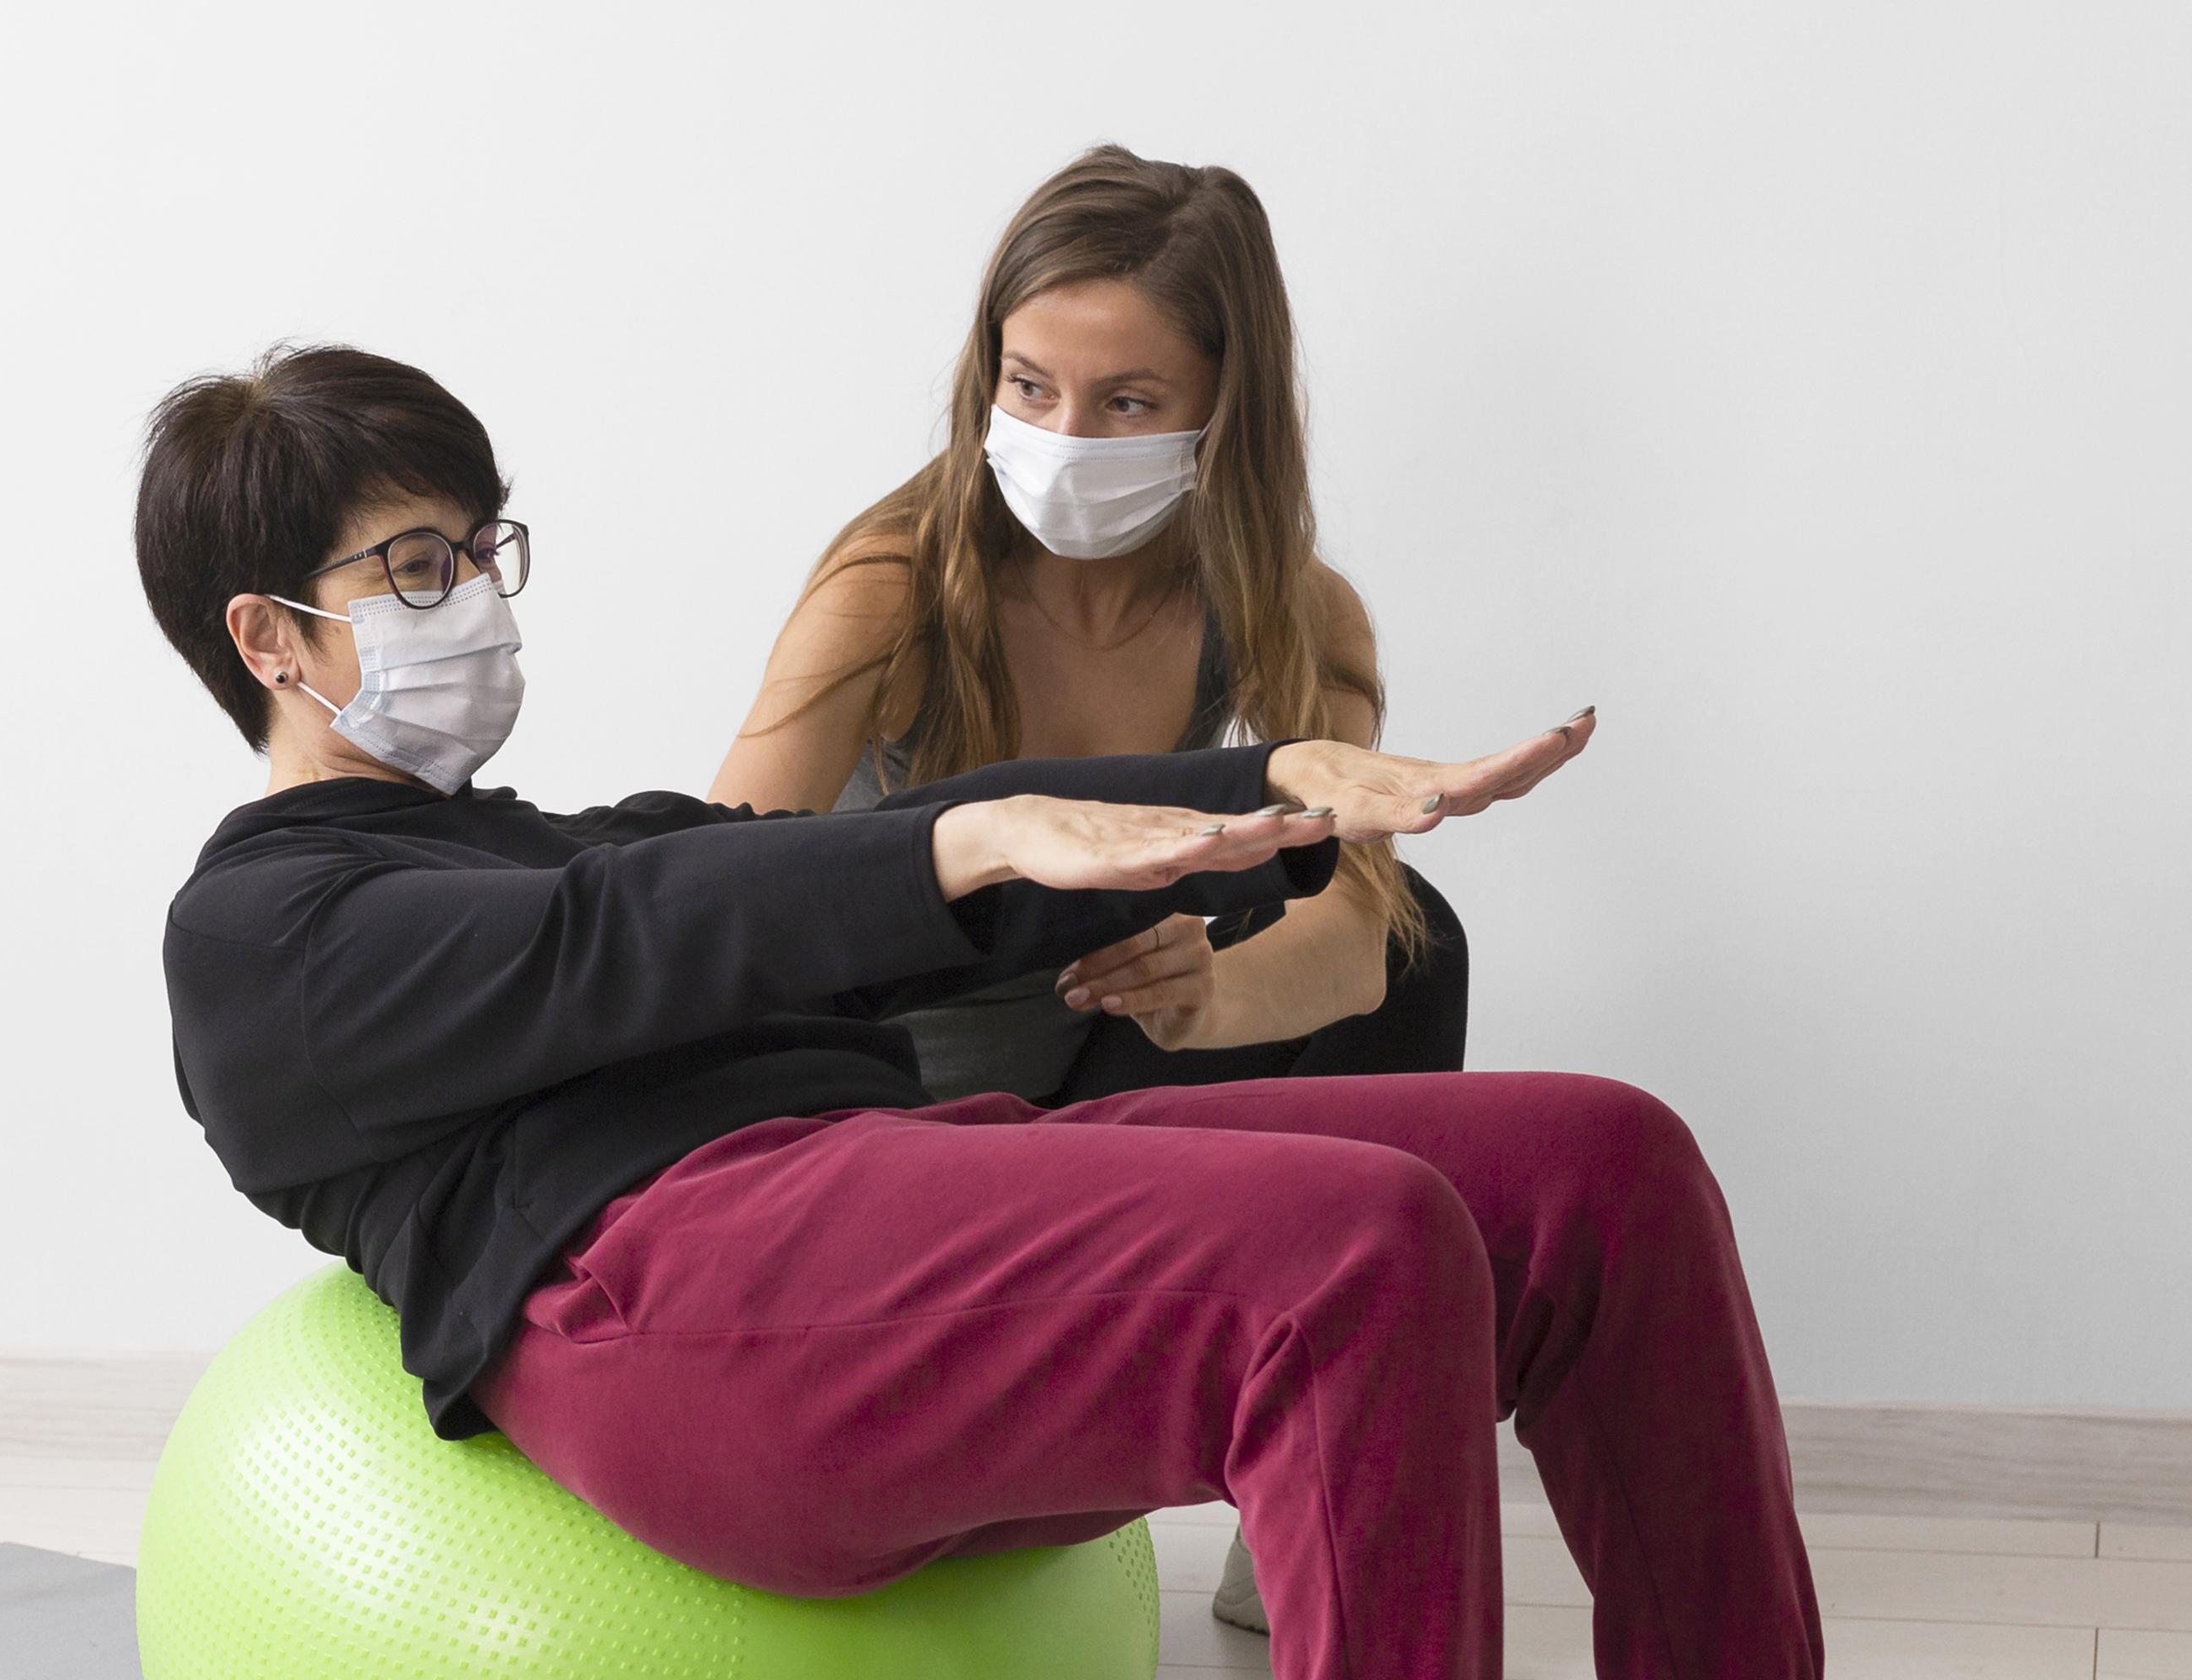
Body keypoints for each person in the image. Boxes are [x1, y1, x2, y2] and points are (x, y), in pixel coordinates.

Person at [142, 344, 1823, 1679]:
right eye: (420, 565)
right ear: (271, 639)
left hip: (884, 1192)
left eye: (483, 551)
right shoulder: (256, 928)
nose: (481, 600)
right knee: (1353, 1245)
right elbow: (612, 940)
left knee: (1609, 1162)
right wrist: (959, 839)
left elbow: (794, 870)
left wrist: (1274, 779)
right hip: (676, 1310)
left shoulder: (556, 841)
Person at [711, 142, 1482, 1631]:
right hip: (894, 1096)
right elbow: (719, 873)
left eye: (1128, 402)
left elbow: (1363, 931)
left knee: (1419, 930)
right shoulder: (892, 579)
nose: (1067, 434)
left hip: (1102, 1049)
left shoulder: (1290, 613)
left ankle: (1315, 1483)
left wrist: (1220, 991)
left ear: (1219, 412)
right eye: (1028, 386)